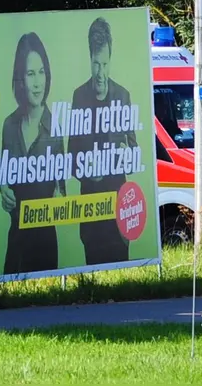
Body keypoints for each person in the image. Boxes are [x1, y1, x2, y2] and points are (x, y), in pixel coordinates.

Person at [67, 17, 137, 265]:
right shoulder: (79, 96)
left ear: (111, 60)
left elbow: (134, 152)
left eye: (105, 64)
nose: (100, 73)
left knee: (122, 274)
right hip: (91, 210)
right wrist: (88, 172)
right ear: (89, 59)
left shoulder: (123, 95)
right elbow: (71, 159)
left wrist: (124, 154)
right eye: (96, 64)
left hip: (119, 210)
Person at [0, 32, 65, 275]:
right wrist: (3, 190)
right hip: (15, 242)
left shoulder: (55, 127)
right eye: (30, 74)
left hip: (44, 244)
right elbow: (4, 177)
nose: (38, 82)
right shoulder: (9, 125)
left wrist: (60, 196)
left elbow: (62, 188)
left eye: (41, 72)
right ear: (20, 79)